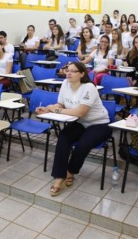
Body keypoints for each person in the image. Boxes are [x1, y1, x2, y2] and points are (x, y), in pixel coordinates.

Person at [36, 62, 112, 196]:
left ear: (82, 74)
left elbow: (80, 112)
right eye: (67, 70)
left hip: (99, 124)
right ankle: (59, 177)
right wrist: (48, 109)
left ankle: (70, 171)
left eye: (73, 71)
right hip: (80, 123)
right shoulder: (65, 84)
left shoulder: (89, 87)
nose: (68, 73)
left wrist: (58, 110)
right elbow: (60, 104)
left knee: (83, 144)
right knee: (63, 138)